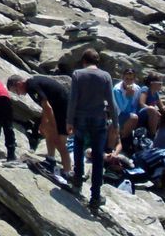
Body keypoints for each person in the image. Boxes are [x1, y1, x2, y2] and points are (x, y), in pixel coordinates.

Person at [67, 48, 118, 209]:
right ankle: (95, 196)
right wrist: (116, 123)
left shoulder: (77, 74)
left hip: (80, 117)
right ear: (97, 62)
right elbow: (111, 102)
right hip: (99, 118)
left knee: (78, 146)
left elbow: (73, 100)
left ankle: (77, 181)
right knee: (97, 157)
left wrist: (69, 121)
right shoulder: (106, 76)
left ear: (84, 61)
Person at [11, 74, 72, 175]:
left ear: (19, 83)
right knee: (48, 131)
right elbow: (45, 105)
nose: (18, 94)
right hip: (58, 108)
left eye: (16, 90)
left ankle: (68, 172)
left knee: (59, 142)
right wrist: (44, 123)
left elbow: (48, 107)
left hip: (64, 110)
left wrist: (53, 126)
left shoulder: (31, 86)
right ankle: (50, 159)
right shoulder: (31, 84)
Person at [113, 68, 144, 146]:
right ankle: (123, 140)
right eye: (127, 79)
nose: (129, 81)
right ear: (122, 78)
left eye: (131, 79)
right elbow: (122, 109)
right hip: (119, 114)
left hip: (132, 112)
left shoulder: (137, 88)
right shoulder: (117, 89)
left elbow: (136, 105)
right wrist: (128, 97)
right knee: (134, 118)